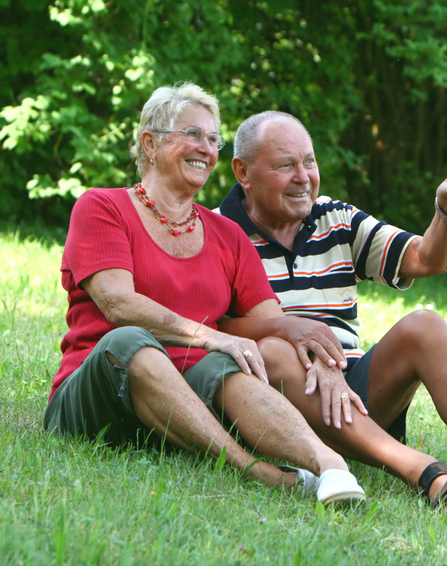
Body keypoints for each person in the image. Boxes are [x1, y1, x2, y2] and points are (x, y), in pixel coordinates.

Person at [217, 111, 447, 524]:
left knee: (424, 324)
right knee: (273, 353)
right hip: (279, 407)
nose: (303, 177)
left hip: (354, 391)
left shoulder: (334, 218)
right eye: (286, 165)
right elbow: (206, 329)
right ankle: (422, 470)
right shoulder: (216, 231)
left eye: (310, 161)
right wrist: (290, 330)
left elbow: (425, 258)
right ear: (243, 171)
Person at [43, 85, 366, 507]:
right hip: (98, 396)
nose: (206, 149)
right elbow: (117, 304)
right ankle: (260, 472)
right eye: (193, 134)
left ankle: (330, 466)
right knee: (131, 340)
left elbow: (273, 327)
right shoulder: (102, 207)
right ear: (150, 143)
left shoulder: (227, 235)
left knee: (229, 366)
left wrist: (323, 361)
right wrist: (211, 335)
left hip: (186, 410)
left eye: (214, 139)